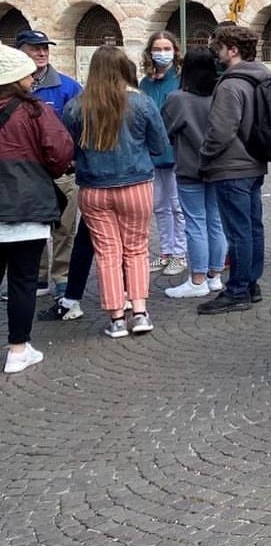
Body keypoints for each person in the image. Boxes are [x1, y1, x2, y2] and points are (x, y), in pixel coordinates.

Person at [61, 47, 168, 338]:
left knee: (107, 253)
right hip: (135, 184)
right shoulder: (142, 103)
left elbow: (66, 149)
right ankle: (140, 311)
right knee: (136, 249)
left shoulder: (76, 106)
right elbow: (160, 146)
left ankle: (116, 318)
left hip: (94, 188)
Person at [0, 43, 73, 373]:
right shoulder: (33, 111)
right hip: (26, 203)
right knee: (23, 279)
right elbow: (59, 151)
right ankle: (18, 348)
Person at [197, 24, 271, 315]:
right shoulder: (259, 78)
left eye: (218, 47)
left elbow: (221, 131)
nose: (214, 52)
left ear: (233, 50)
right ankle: (251, 283)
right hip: (254, 162)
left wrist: (204, 156)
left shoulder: (231, 84)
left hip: (231, 166)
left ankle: (238, 289)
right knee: (253, 227)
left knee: (239, 230)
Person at [16, 28, 82, 296]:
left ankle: (62, 276)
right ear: (21, 51)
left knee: (65, 228)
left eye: (45, 47)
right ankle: (37, 276)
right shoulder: (10, 87)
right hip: (29, 173)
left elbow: (80, 125)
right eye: (35, 48)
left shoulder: (68, 86)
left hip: (64, 172)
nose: (42, 52)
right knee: (33, 229)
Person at [160, 48, 227, 299]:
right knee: (215, 222)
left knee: (195, 223)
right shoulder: (221, 95)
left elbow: (164, 131)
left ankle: (197, 279)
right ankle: (215, 276)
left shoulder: (178, 99)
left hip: (190, 167)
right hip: (219, 166)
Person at [139, 30, 187, 280]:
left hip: (177, 148)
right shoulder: (145, 82)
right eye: (157, 48)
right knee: (158, 205)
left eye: (167, 48)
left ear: (175, 51)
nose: (162, 53)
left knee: (178, 205)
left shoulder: (180, 79)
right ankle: (166, 251)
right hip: (152, 151)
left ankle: (180, 252)